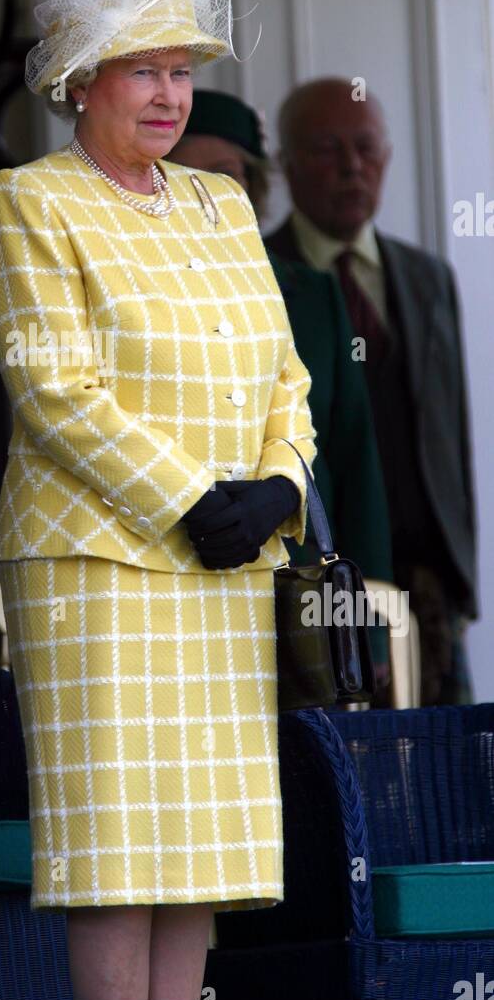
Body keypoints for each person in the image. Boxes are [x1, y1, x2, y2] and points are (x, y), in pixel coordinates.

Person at [0, 0, 316, 1000]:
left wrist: (280, 488)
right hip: (98, 572)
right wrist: (194, 498)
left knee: (198, 866)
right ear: (81, 79)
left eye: (180, 69)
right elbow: (54, 389)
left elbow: (284, 375)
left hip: (224, 567)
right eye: (142, 69)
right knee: (118, 862)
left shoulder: (218, 206)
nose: (169, 95)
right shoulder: (26, 199)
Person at [171, 90, 394, 692]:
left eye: (236, 175)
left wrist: (369, 628)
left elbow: (352, 462)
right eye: (201, 174)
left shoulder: (312, 293)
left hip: (297, 611)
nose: (222, 191)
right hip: (175, 591)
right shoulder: (138, 292)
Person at [265, 77, 477, 705]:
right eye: (328, 148)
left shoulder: (426, 278)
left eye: (367, 148)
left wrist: (460, 579)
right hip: (311, 583)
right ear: (287, 164)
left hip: (426, 589)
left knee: (441, 785)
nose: (351, 167)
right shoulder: (257, 273)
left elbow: (450, 434)